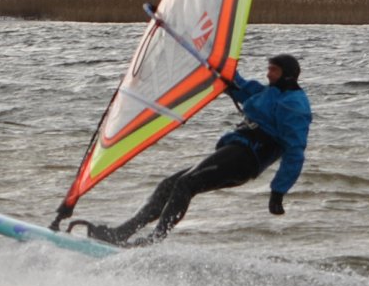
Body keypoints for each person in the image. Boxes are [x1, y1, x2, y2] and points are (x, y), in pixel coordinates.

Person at [77, 53, 310, 247]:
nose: (269, 74)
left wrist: (278, 191)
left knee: (185, 185)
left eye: (274, 71)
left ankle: (154, 240)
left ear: (288, 74)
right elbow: (236, 83)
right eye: (269, 69)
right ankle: (122, 233)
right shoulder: (266, 92)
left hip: (247, 160)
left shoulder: (294, 105)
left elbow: (295, 151)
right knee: (170, 184)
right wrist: (214, 58)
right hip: (235, 151)